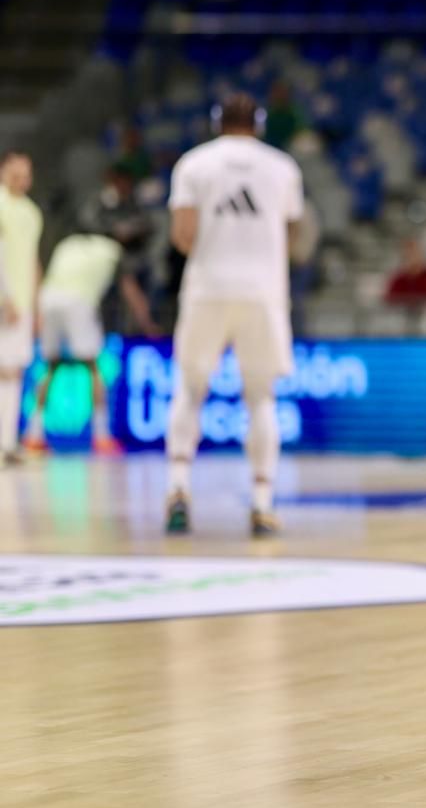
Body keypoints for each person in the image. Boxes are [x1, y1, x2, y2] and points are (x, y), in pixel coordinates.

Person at [164, 93, 306, 538]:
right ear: (258, 123)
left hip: (207, 288)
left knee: (190, 389)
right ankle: (262, 504)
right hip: (263, 292)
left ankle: (178, 488)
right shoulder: (283, 167)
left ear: (216, 122)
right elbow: (293, 235)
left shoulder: (193, 164)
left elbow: (183, 236)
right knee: (261, 398)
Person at [23, 229, 158, 455]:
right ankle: (102, 436)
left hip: (48, 300)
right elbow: (130, 291)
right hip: (78, 302)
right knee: (94, 368)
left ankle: (33, 435)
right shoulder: (113, 251)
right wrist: (147, 324)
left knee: (50, 367)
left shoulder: (69, 242)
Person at [0, 152, 42, 465]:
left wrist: (36, 305)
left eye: (26, 174)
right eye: (16, 173)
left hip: (22, 304)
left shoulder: (31, 212)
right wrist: (5, 295)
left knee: (13, 371)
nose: (22, 180)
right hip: (6, 301)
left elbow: (32, 259)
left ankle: (7, 442)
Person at [384, 237, 426, 320]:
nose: (412, 258)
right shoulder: (398, 278)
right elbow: (389, 302)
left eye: (415, 254)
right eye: (408, 254)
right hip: (402, 319)